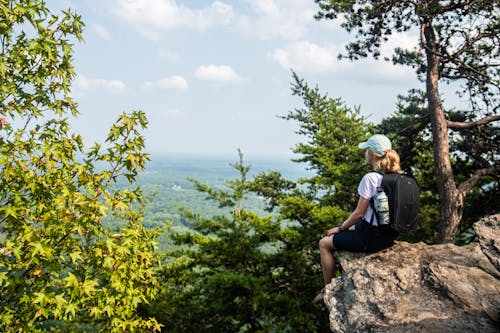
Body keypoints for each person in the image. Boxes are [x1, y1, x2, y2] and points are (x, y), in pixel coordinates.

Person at [313, 134, 401, 303]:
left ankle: (327, 290)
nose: (365, 154)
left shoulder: (370, 178)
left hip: (372, 239)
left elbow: (359, 213)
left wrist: (340, 228)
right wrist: (346, 227)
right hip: (389, 235)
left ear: (372, 154)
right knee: (351, 229)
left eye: (367, 150)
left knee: (324, 243)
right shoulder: (399, 177)